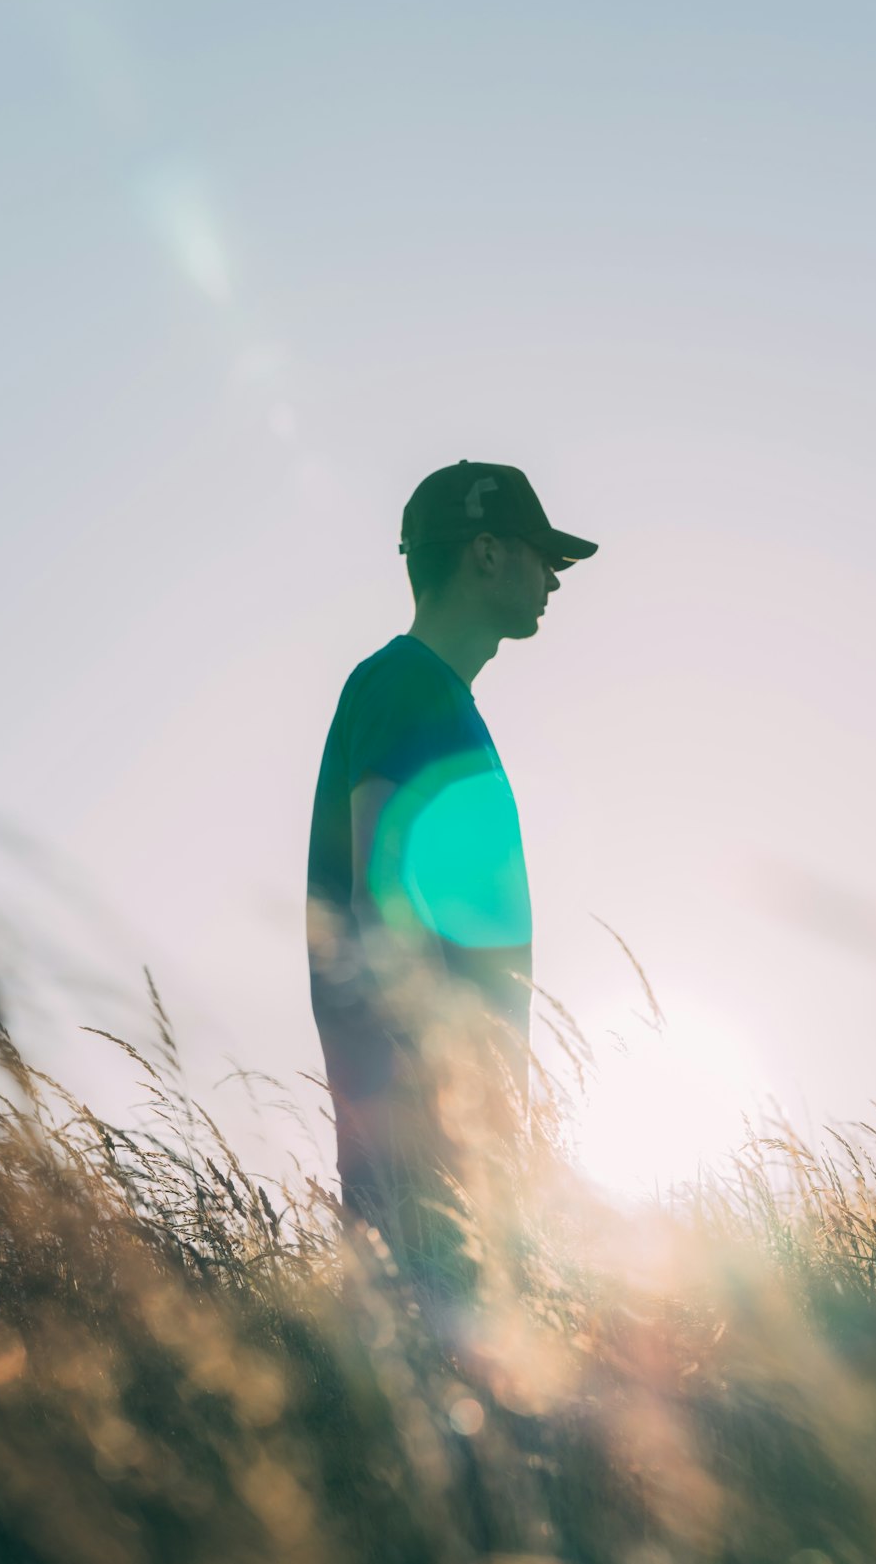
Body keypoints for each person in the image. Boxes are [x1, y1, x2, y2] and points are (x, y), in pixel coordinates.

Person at [306, 459, 598, 1304]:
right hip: (426, 1125)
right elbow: (377, 903)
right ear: (484, 552)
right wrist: (447, 1105)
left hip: (445, 1123)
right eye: (540, 553)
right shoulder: (407, 688)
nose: (553, 577)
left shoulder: (430, 697)